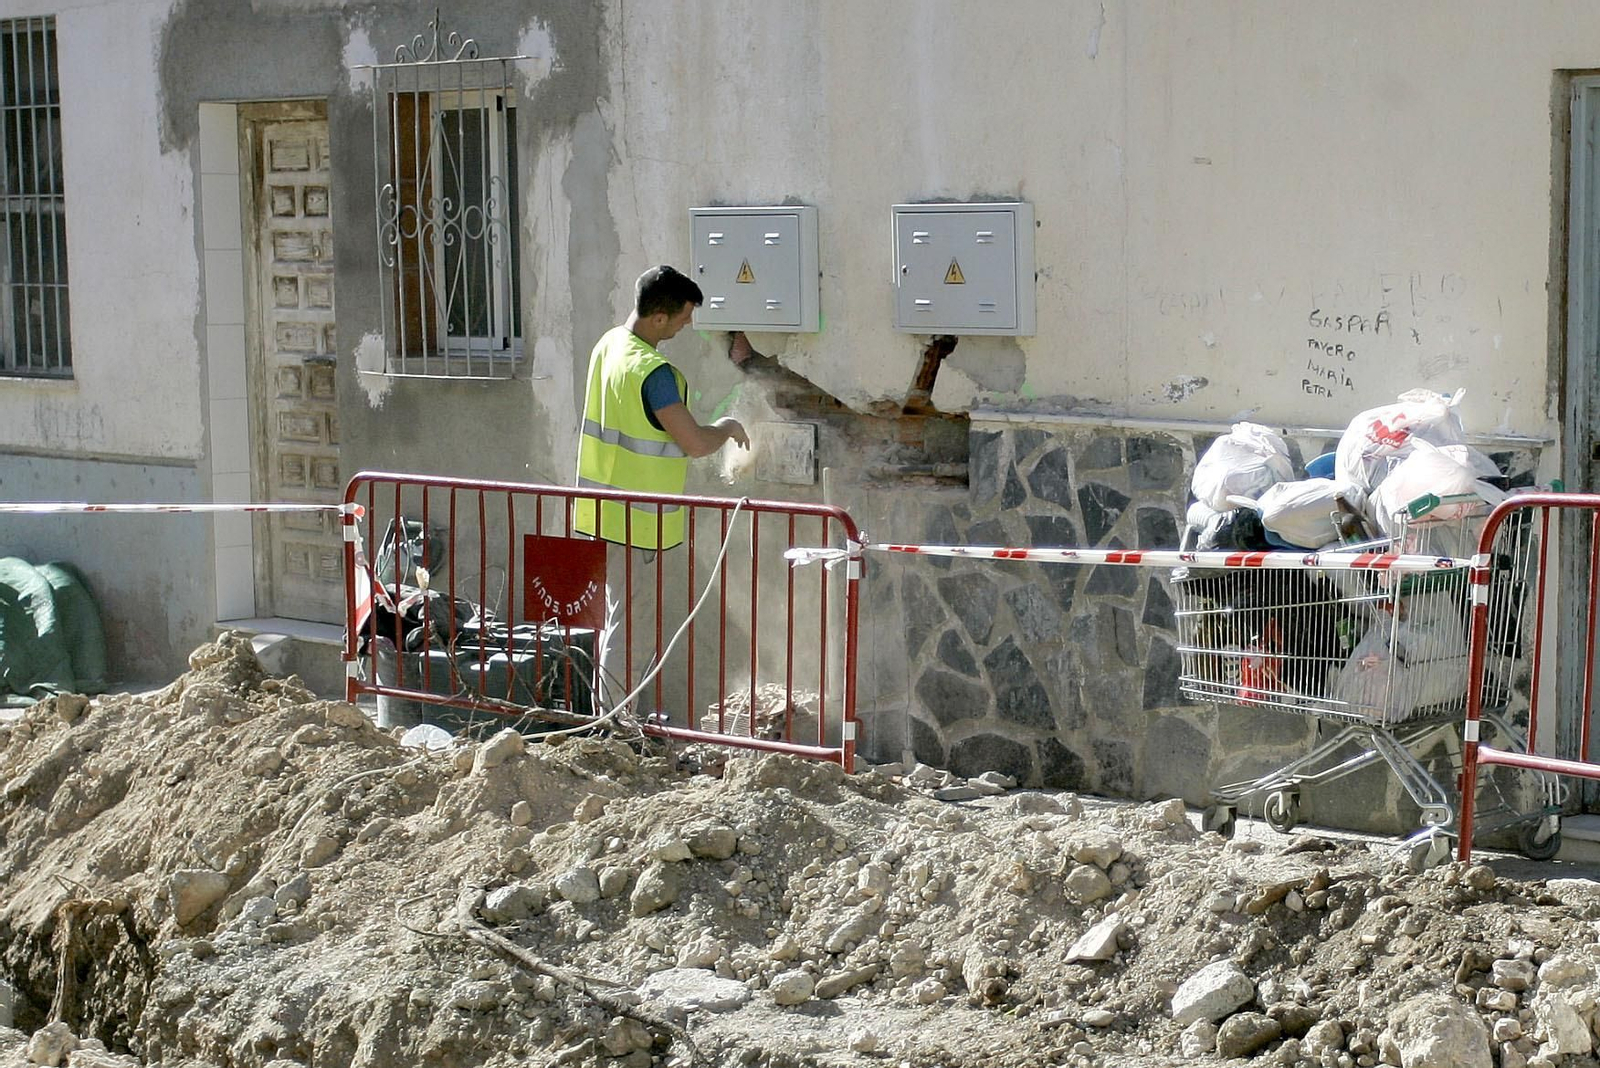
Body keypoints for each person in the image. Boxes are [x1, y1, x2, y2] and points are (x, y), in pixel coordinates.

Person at [574, 264, 749, 550]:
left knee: (614, 596)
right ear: (658, 319)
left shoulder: (610, 344)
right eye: (683, 317)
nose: (688, 323)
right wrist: (726, 426)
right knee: (633, 597)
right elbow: (696, 444)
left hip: (603, 515)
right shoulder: (654, 374)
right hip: (639, 527)